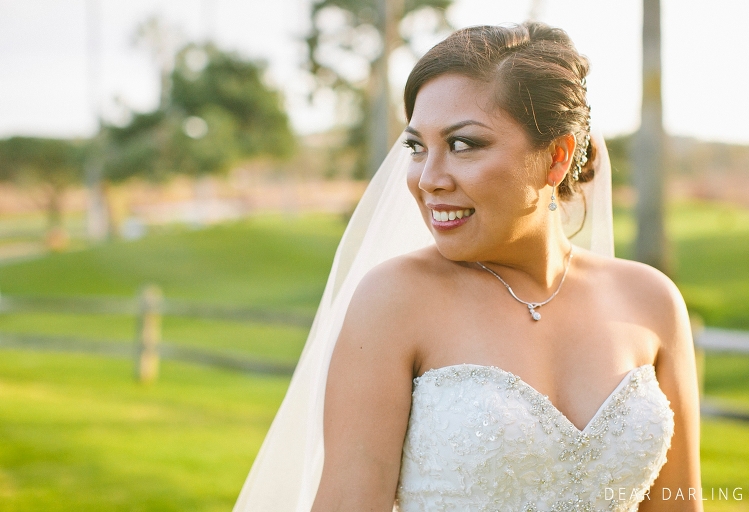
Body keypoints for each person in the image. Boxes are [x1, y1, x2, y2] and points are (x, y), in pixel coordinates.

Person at [234, 22, 702, 512]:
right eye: (417, 147)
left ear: (556, 157)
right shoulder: (394, 300)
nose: (427, 180)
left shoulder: (651, 301)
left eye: (462, 145)